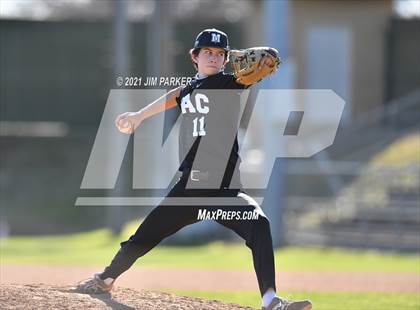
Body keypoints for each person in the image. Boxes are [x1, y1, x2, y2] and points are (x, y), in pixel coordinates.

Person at [76, 28, 312, 310]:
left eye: (219, 54)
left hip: (222, 193)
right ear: (195, 57)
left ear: (226, 60)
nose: (213, 57)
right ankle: (105, 278)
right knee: (143, 237)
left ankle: (270, 300)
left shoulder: (229, 83)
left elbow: (261, 63)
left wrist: (268, 56)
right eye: (207, 52)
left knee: (259, 224)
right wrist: (139, 115)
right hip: (188, 191)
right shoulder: (190, 88)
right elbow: (176, 95)